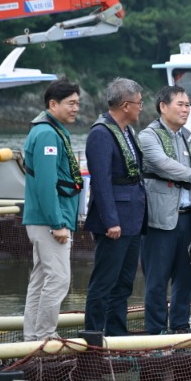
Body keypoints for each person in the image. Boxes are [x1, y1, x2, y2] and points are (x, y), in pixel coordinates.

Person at [139, 85, 191, 335]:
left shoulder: (190, 138)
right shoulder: (148, 136)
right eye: (180, 104)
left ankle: (181, 328)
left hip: (189, 220)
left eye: (187, 105)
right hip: (159, 220)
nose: (186, 110)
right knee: (156, 281)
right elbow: (164, 166)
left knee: (185, 280)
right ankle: (155, 332)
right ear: (163, 106)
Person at [83, 77, 147, 336]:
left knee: (124, 283)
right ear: (125, 105)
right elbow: (100, 181)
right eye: (139, 103)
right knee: (104, 283)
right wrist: (110, 220)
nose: (142, 107)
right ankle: (95, 337)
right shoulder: (101, 133)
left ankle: (117, 334)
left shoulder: (128, 132)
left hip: (133, 217)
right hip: (115, 220)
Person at [21, 78, 82, 341]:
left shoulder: (48, 129)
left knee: (40, 280)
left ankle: (31, 337)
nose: (75, 108)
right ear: (53, 104)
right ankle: (45, 336)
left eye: (78, 103)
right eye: (70, 103)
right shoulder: (47, 133)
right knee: (58, 279)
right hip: (50, 221)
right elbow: (46, 185)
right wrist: (57, 223)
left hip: (43, 219)